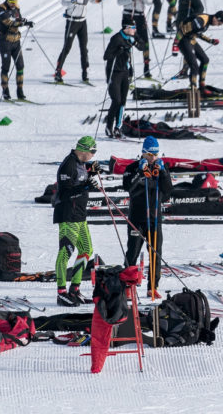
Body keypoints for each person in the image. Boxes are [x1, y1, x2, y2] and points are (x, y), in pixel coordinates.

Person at [122, 136, 173, 298]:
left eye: (155, 154)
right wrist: (139, 173)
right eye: (150, 154)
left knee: (155, 253)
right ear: (143, 153)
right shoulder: (132, 167)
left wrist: (163, 173)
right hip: (137, 219)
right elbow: (128, 187)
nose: (153, 158)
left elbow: (167, 192)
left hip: (154, 218)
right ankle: (129, 286)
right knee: (133, 252)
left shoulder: (159, 168)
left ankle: (152, 287)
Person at [53, 136, 100, 306]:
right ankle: (61, 292)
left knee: (86, 250)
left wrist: (91, 173)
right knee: (65, 252)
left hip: (80, 216)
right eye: (91, 152)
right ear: (82, 149)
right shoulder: (69, 165)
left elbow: (81, 181)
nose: (92, 156)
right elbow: (65, 194)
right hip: (67, 215)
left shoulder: (80, 164)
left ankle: (75, 289)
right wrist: (85, 187)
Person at [55, 0, 105, 83]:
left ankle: (85, 73)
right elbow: (63, 2)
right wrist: (72, 2)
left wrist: (99, 0)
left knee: (84, 48)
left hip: (82, 22)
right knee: (67, 47)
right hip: (72, 22)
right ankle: (58, 72)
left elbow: (91, 0)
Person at [103, 22, 145, 137]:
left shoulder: (132, 36)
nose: (135, 30)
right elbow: (106, 56)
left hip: (125, 72)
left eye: (135, 27)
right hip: (114, 72)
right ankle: (108, 127)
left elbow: (142, 47)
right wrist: (118, 51)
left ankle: (118, 127)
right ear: (126, 28)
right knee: (116, 100)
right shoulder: (116, 38)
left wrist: (135, 42)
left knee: (122, 102)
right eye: (133, 28)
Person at [176, 11, 223, 95]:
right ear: (216, 18)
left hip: (190, 39)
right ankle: (193, 89)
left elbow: (198, 33)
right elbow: (183, 30)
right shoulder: (202, 20)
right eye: (218, 23)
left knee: (205, 60)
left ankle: (202, 86)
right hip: (183, 39)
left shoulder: (207, 22)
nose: (217, 25)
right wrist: (175, 43)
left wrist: (211, 41)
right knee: (194, 64)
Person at [0, 0, 33, 100]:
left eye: (15, 2)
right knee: (6, 67)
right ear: (7, 0)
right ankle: (5, 90)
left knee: (20, 66)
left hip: (16, 42)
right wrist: (21, 22)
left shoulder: (16, 8)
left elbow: (19, 19)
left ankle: (20, 91)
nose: (14, 4)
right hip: (5, 42)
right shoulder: (1, 9)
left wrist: (26, 22)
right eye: (12, 2)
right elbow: (9, 22)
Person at [117, 0, 153, 77]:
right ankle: (129, 70)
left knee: (145, 42)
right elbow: (119, 2)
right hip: (128, 16)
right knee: (126, 42)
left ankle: (146, 69)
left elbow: (150, 1)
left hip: (140, 16)